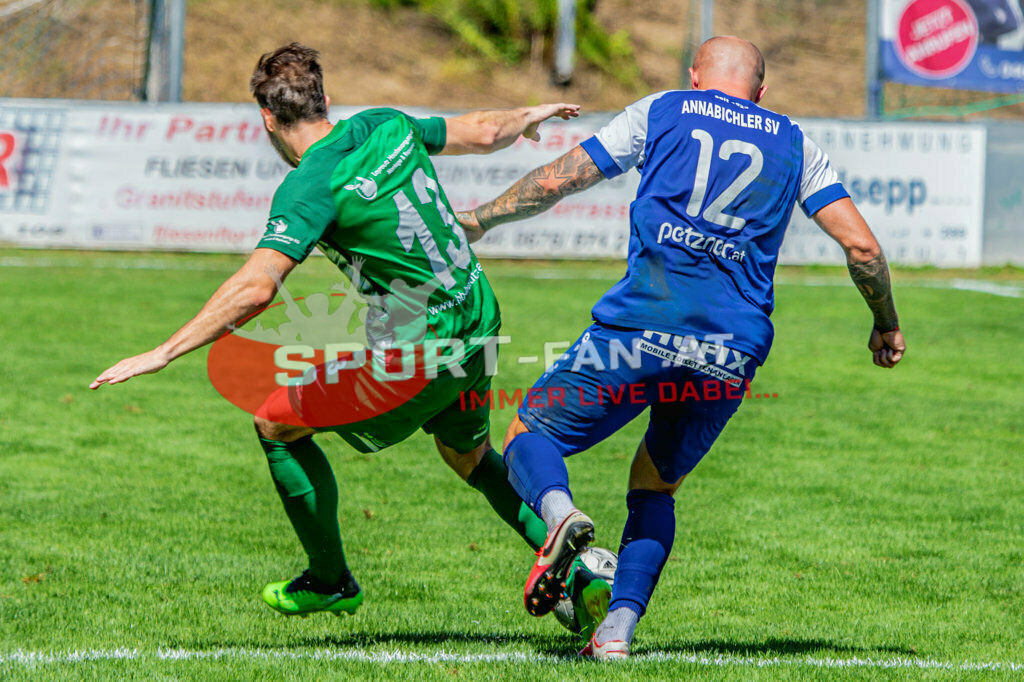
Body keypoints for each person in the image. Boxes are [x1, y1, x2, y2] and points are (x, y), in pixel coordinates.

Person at [90, 43, 612, 627]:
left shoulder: (309, 184)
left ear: (267, 118)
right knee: (466, 452)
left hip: (421, 351)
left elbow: (257, 285)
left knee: (276, 423)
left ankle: (330, 579)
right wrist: (529, 114)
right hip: (477, 316)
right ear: (326, 100)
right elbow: (486, 130)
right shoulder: (382, 124)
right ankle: (581, 570)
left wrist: (163, 352)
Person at [457, 36, 907, 659]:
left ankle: (560, 518)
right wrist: (884, 319)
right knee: (654, 485)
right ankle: (616, 635)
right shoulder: (798, 143)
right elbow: (863, 248)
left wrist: (481, 219)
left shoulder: (663, 109)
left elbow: (561, 178)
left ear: (695, 76)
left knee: (530, 432)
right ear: (761, 92)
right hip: (732, 349)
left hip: (642, 323)